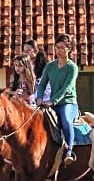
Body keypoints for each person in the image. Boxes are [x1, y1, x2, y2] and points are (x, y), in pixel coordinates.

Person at [34, 34, 79, 165]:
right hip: (51, 103)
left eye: (62, 48)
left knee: (65, 119)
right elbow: (42, 84)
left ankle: (69, 151)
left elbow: (67, 88)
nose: (58, 50)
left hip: (67, 103)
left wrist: (53, 101)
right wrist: (39, 97)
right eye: (57, 47)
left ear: (69, 49)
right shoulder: (50, 66)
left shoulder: (72, 67)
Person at [23, 38, 50, 103]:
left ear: (36, 51)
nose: (26, 53)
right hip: (30, 98)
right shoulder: (26, 66)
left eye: (28, 50)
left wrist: (32, 96)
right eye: (24, 51)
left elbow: (45, 86)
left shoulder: (46, 66)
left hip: (44, 98)